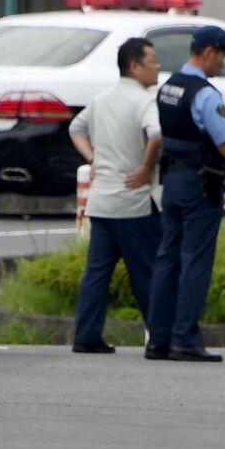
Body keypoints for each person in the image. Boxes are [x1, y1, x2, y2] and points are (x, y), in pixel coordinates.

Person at [146, 25, 225, 362]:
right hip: (199, 184)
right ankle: (184, 338)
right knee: (195, 261)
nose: (222, 64)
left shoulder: (168, 87)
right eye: (222, 57)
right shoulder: (205, 94)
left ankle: (158, 338)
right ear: (209, 52)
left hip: (171, 179)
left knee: (167, 258)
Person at [66, 37, 163, 353]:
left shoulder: (102, 99)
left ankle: (86, 335)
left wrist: (93, 158)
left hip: (102, 201)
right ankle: (159, 337)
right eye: (152, 61)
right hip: (132, 202)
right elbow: (157, 135)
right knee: (146, 272)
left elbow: (75, 129)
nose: (158, 66)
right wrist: (147, 167)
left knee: (96, 274)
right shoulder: (144, 101)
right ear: (135, 66)